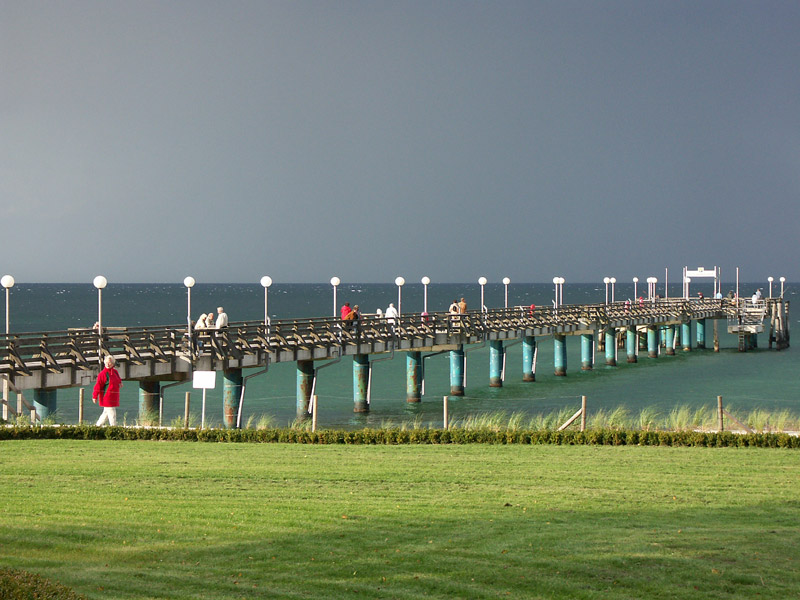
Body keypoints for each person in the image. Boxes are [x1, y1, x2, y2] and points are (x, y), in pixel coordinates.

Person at [93, 355, 122, 426]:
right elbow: (98, 385)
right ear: (104, 363)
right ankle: (114, 429)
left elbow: (118, 379)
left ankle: (96, 427)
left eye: (110, 363)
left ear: (113, 364)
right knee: (112, 415)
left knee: (105, 415)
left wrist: (120, 383)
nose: (108, 364)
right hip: (107, 397)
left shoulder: (115, 372)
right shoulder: (102, 374)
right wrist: (95, 396)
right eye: (107, 362)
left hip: (114, 397)